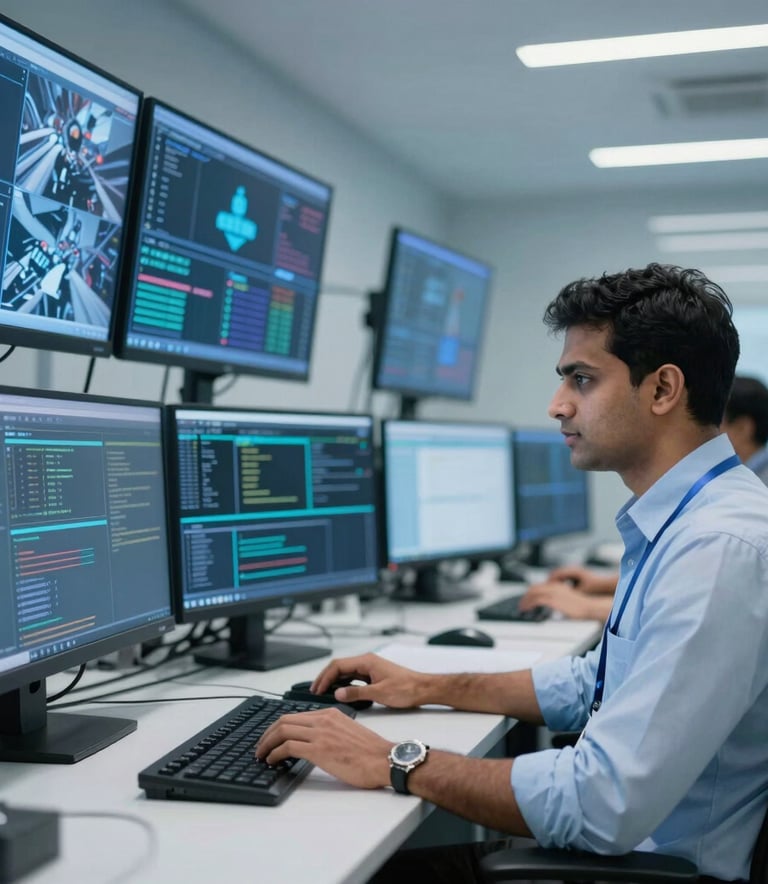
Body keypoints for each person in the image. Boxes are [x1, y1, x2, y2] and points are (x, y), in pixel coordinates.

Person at [255, 263, 768, 883]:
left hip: (650, 869)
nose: (557, 406)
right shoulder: (692, 518)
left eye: (582, 380)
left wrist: (394, 758)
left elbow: (600, 804)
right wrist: (430, 686)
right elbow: (593, 683)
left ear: (662, 390)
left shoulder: (717, 547)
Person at [519, 373, 768, 621]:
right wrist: (604, 585)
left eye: (714, 425)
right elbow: (683, 581)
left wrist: (588, 607)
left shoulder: (738, 508)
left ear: (744, 429)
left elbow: (695, 611)